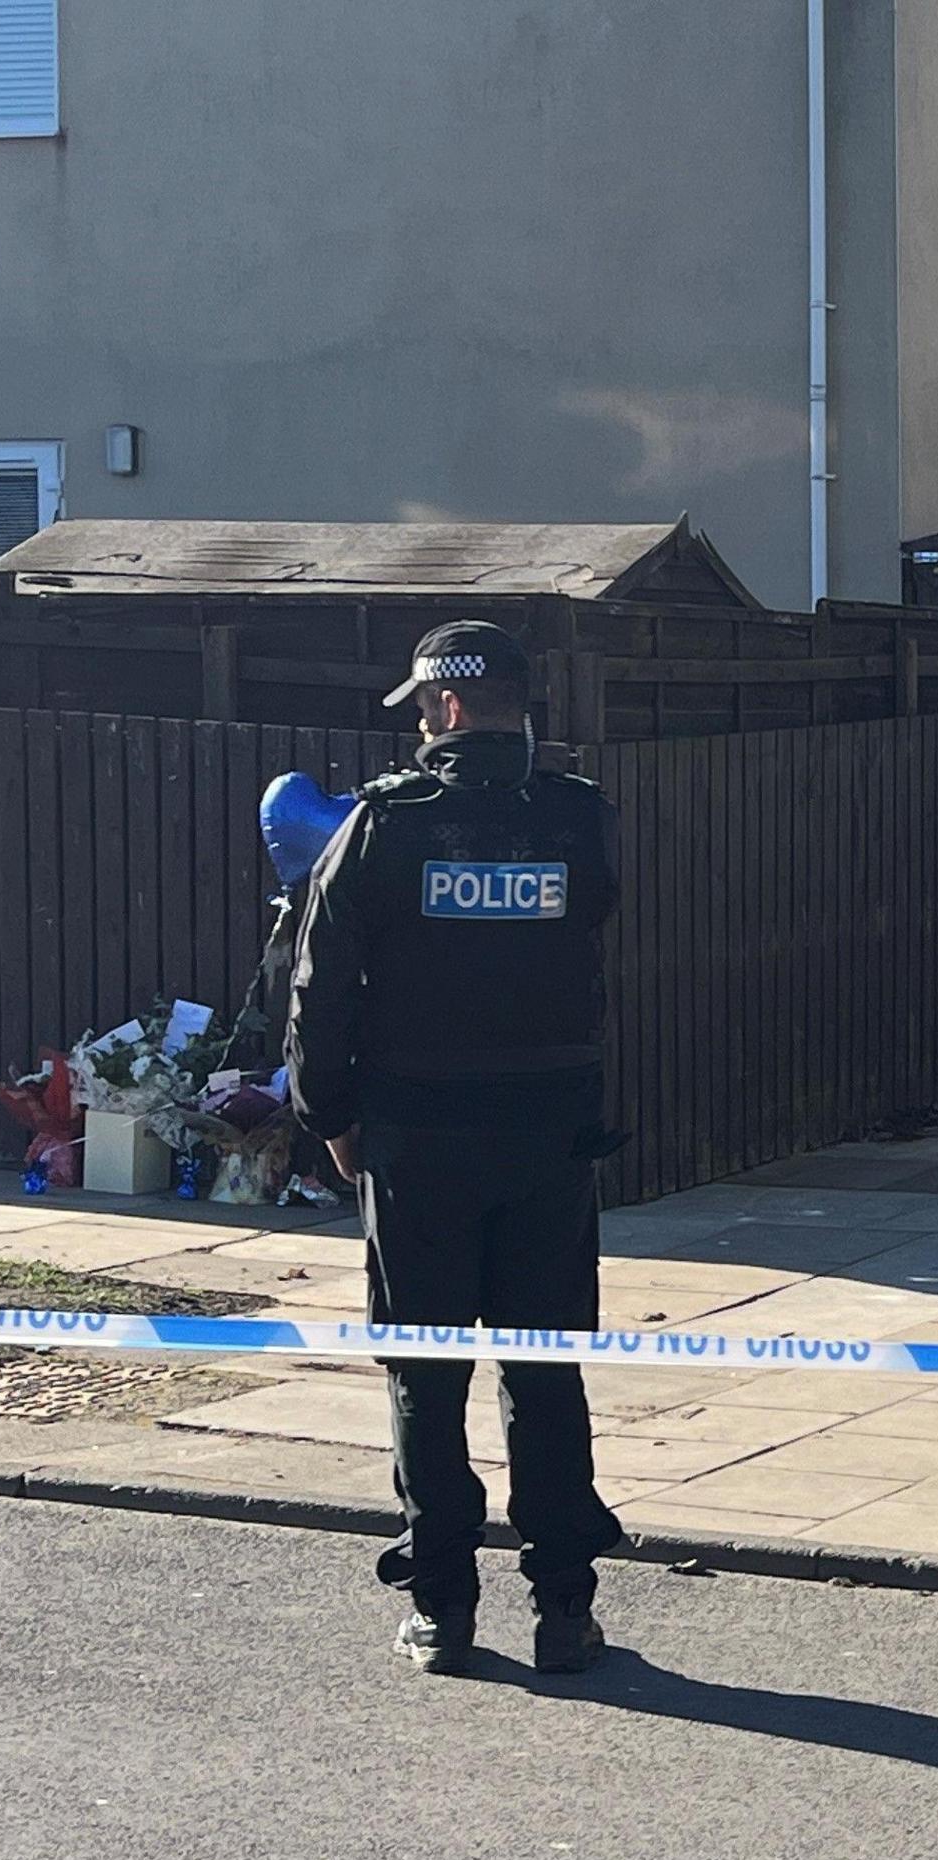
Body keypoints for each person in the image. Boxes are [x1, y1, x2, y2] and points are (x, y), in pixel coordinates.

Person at [285, 621, 628, 1680]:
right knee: (546, 1373)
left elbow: (322, 981)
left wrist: (328, 1116)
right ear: (520, 703)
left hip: (417, 1142)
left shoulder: (386, 825)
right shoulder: (578, 819)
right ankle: (565, 1607)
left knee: (425, 1379)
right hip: (547, 1139)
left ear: (440, 708)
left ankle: (444, 1606)